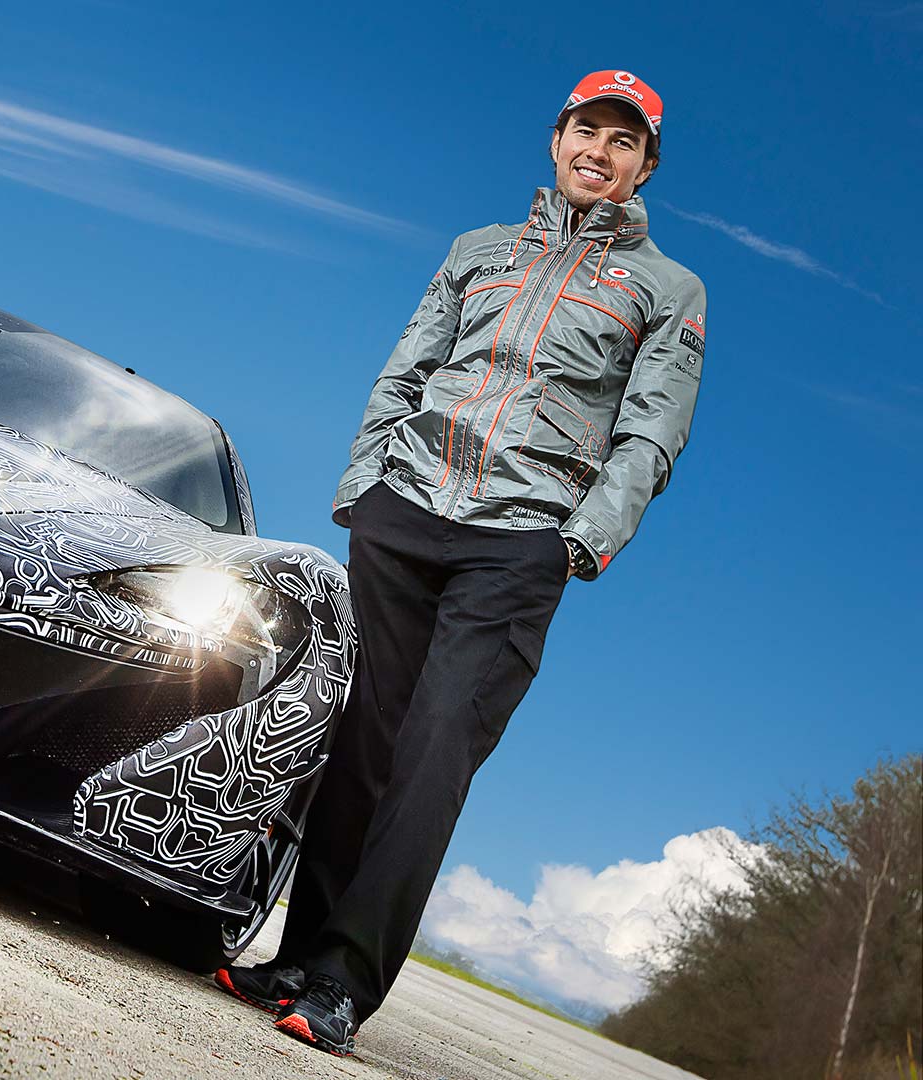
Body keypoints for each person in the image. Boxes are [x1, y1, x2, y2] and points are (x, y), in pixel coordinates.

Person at [213, 70, 707, 1057]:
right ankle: (295, 954)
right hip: (404, 516)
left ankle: (345, 982)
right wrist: (365, 485)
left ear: (645, 164)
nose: (597, 151)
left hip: (520, 544)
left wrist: (578, 541)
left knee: (435, 755)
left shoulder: (668, 290)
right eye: (585, 131)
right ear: (556, 140)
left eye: (622, 140)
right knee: (360, 744)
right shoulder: (478, 253)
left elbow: (653, 436)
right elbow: (407, 369)